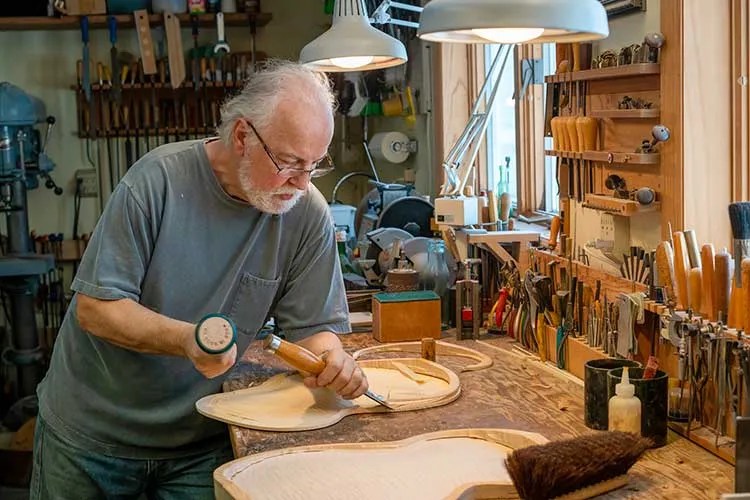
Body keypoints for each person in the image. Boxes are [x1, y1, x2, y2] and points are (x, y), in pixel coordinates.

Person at [31, 60, 367, 499]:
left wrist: (332, 361)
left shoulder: (306, 213)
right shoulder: (156, 182)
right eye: (289, 163)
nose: (302, 184)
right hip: (94, 437)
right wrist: (186, 339)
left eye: (314, 165)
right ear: (243, 136)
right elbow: (97, 310)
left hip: (201, 440)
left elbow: (313, 329)